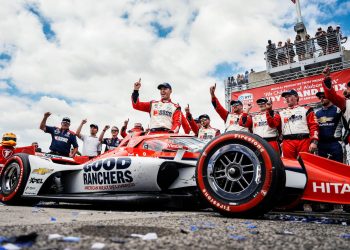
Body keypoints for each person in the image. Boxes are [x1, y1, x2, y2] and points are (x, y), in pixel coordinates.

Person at [279, 90, 319, 159]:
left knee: (305, 164)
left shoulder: (306, 109)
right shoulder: (281, 112)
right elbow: (274, 126)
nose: (287, 99)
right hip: (287, 142)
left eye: (289, 96)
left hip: (304, 141)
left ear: (296, 97)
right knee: (290, 166)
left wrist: (314, 142)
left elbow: (314, 126)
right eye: (285, 97)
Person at [315, 92, 343, 163]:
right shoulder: (317, 113)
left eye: (323, 97)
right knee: (323, 168)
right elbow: (315, 128)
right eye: (320, 97)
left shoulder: (338, 110)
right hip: (321, 145)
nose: (321, 99)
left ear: (329, 97)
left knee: (338, 167)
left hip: (335, 144)